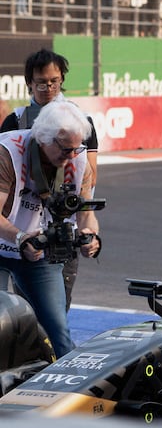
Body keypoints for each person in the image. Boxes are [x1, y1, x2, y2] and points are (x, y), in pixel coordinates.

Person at [0, 99, 101, 358]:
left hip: (37, 247)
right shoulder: (8, 152)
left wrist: (91, 236)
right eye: (66, 149)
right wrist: (20, 236)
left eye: (77, 148)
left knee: (59, 332)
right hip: (11, 239)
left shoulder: (79, 161)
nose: (71, 156)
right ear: (44, 138)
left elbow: (86, 215)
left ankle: (69, 392)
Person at [0, 49, 99, 310]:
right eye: (41, 82)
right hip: (22, 227)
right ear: (29, 83)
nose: (48, 87)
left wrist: (86, 225)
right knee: (23, 307)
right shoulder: (17, 119)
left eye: (54, 81)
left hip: (63, 224)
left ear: (62, 80)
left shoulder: (80, 122)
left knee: (57, 308)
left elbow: (89, 174)